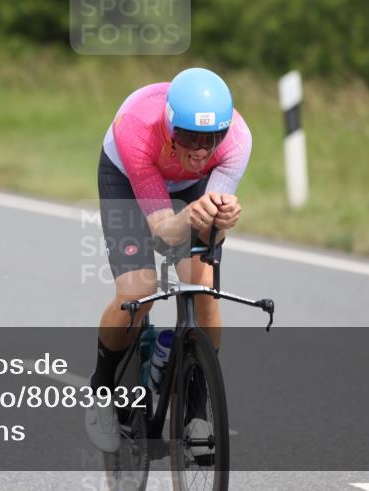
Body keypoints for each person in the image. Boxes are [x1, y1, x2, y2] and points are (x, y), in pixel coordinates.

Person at [85, 67, 251, 452]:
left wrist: (220, 223)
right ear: (170, 125)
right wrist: (189, 217)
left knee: (204, 286)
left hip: (190, 187)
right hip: (128, 178)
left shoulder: (237, 141)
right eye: (189, 136)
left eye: (211, 138)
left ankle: (196, 411)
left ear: (225, 132)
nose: (199, 149)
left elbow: (209, 235)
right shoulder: (136, 127)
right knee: (138, 289)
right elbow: (163, 232)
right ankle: (102, 390)